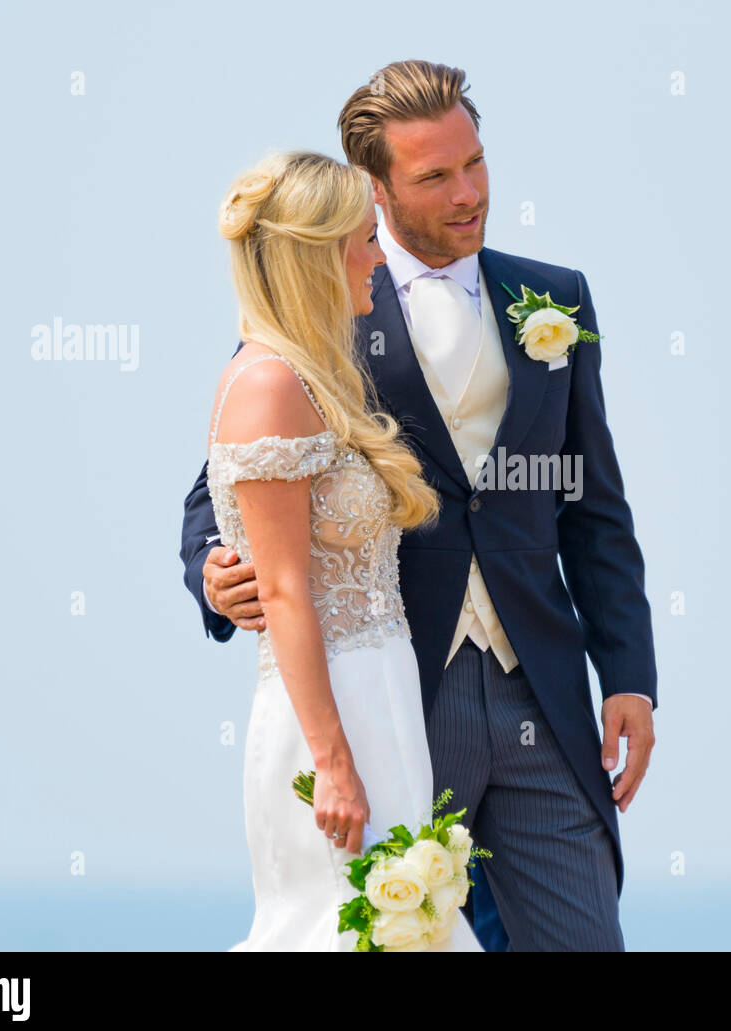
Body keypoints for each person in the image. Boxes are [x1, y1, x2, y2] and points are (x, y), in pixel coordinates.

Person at [183, 61, 657, 951]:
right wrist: (215, 571)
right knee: (406, 930)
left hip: (541, 685)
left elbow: (593, 504)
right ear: (378, 185)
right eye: (435, 176)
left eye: (474, 163)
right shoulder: (317, 311)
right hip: (399, 686)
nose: (469, 192)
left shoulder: (554, 299)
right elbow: (230, 475)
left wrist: (627, 671)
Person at [206, 150, 482, 951]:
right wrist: (331, 760)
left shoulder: (318, 376)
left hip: (383, 697)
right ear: (320, 254)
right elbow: (287, 590)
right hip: (328, 714)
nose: (378, 258)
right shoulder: (270, 386)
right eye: (366, 239)